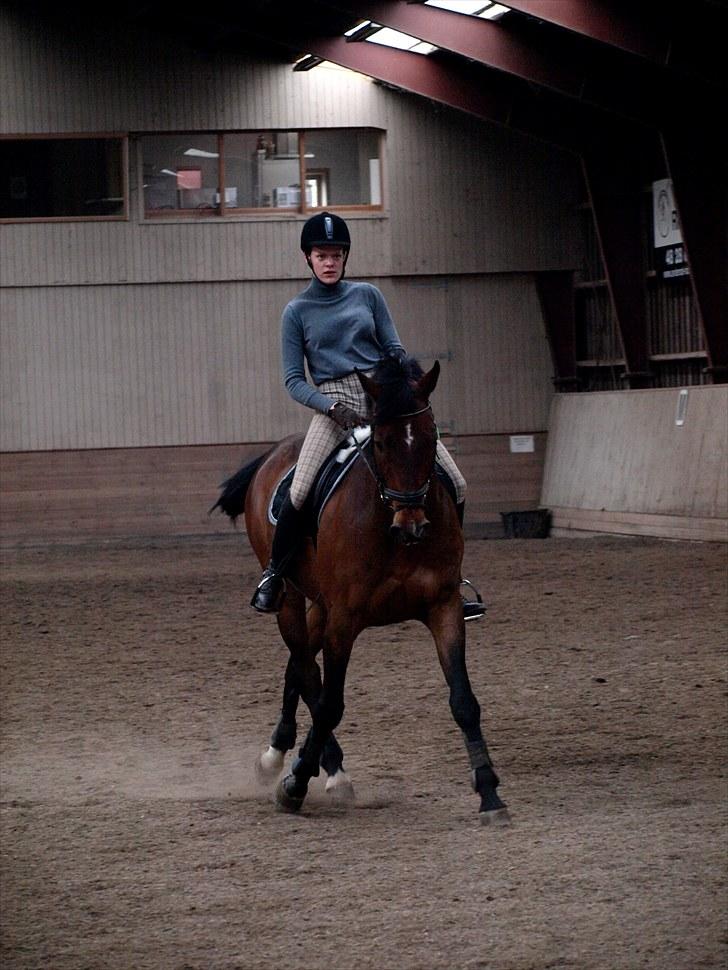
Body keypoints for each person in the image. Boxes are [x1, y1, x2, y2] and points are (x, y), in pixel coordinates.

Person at [251, 211, 484, 620]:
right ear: (308, 258)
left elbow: (394, 348)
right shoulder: (297, 311)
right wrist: (332, 408)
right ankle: (275, 574)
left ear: (345, 257)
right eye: (322, 255)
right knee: (300, 490)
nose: (329, 262)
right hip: (332, 403)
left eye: (336, 254)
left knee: (458, 483)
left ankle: (453, 578)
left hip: (385, 400)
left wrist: (401, 388)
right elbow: (293, 380)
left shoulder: (369, 296)